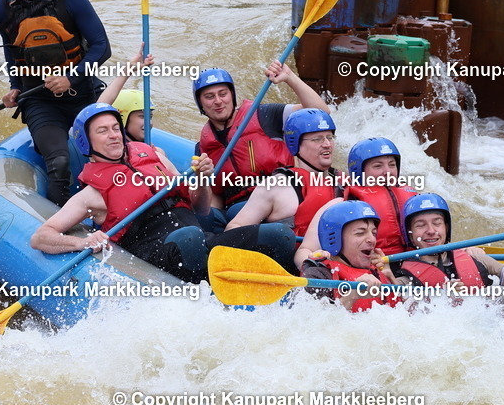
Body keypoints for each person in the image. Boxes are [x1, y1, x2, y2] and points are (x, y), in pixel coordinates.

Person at [30, 104, 295, 282]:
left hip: (200, 240)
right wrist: (83, 242)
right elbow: (41, 237)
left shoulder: (155, 157)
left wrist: (202, 180)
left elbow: (200, 208)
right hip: (155, 252)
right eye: (102, 131)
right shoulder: (90, 195)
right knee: (189, 239)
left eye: (115, 128)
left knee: (280, 235)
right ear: (87, 142)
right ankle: (209, 298)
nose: (113, 135)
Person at [0, 0, 111, 206]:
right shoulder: (0, 9)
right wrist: (15, 87)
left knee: (112, 155)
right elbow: (12, 51)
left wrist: (71, 77)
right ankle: (61, 223)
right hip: (40, 100)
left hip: (83, 95)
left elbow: (102, 47)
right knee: (59, 163)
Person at [194, 61, 330, 224]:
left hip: (278, 197)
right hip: (237, 211)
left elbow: (321, 113)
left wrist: (290, 78)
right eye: (209, 97)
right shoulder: (202, 149)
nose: (218, 101)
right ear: (200, 103)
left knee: (238, 211)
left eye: (223, 94)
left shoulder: (264, 115)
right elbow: (216, 199)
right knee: (208, 218)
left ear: (232, 95)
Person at [388, 193, 504, 292]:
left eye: (437, 223)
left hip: (492, 337)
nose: (431, 230)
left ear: (446, 228)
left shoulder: (477, 259)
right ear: (410, 234)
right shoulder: (404, 279)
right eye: (421, 225)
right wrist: (441, 299)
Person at [224, 108, 343, 237]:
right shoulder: (275, 185)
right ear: (295, 144)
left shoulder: (344, 182)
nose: (327, 144)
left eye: (330, 137)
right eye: (317, 139)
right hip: (291, 249)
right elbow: (234, 228)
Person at [300, 201, 402, 312]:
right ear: (335, 239)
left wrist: (390, 277)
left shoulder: (376, 272)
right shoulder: (318, 274)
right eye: (360, 233)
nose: (372, 240)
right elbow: (317, 320)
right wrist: (353, 295)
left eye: (373, 233)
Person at [342, 137, 418, 255]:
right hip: (375, 259)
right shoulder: (350, 200)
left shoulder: (410, 193)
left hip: (412, 256)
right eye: (378, 166)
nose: (388, 172)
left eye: (392, 165)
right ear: (359, 171)